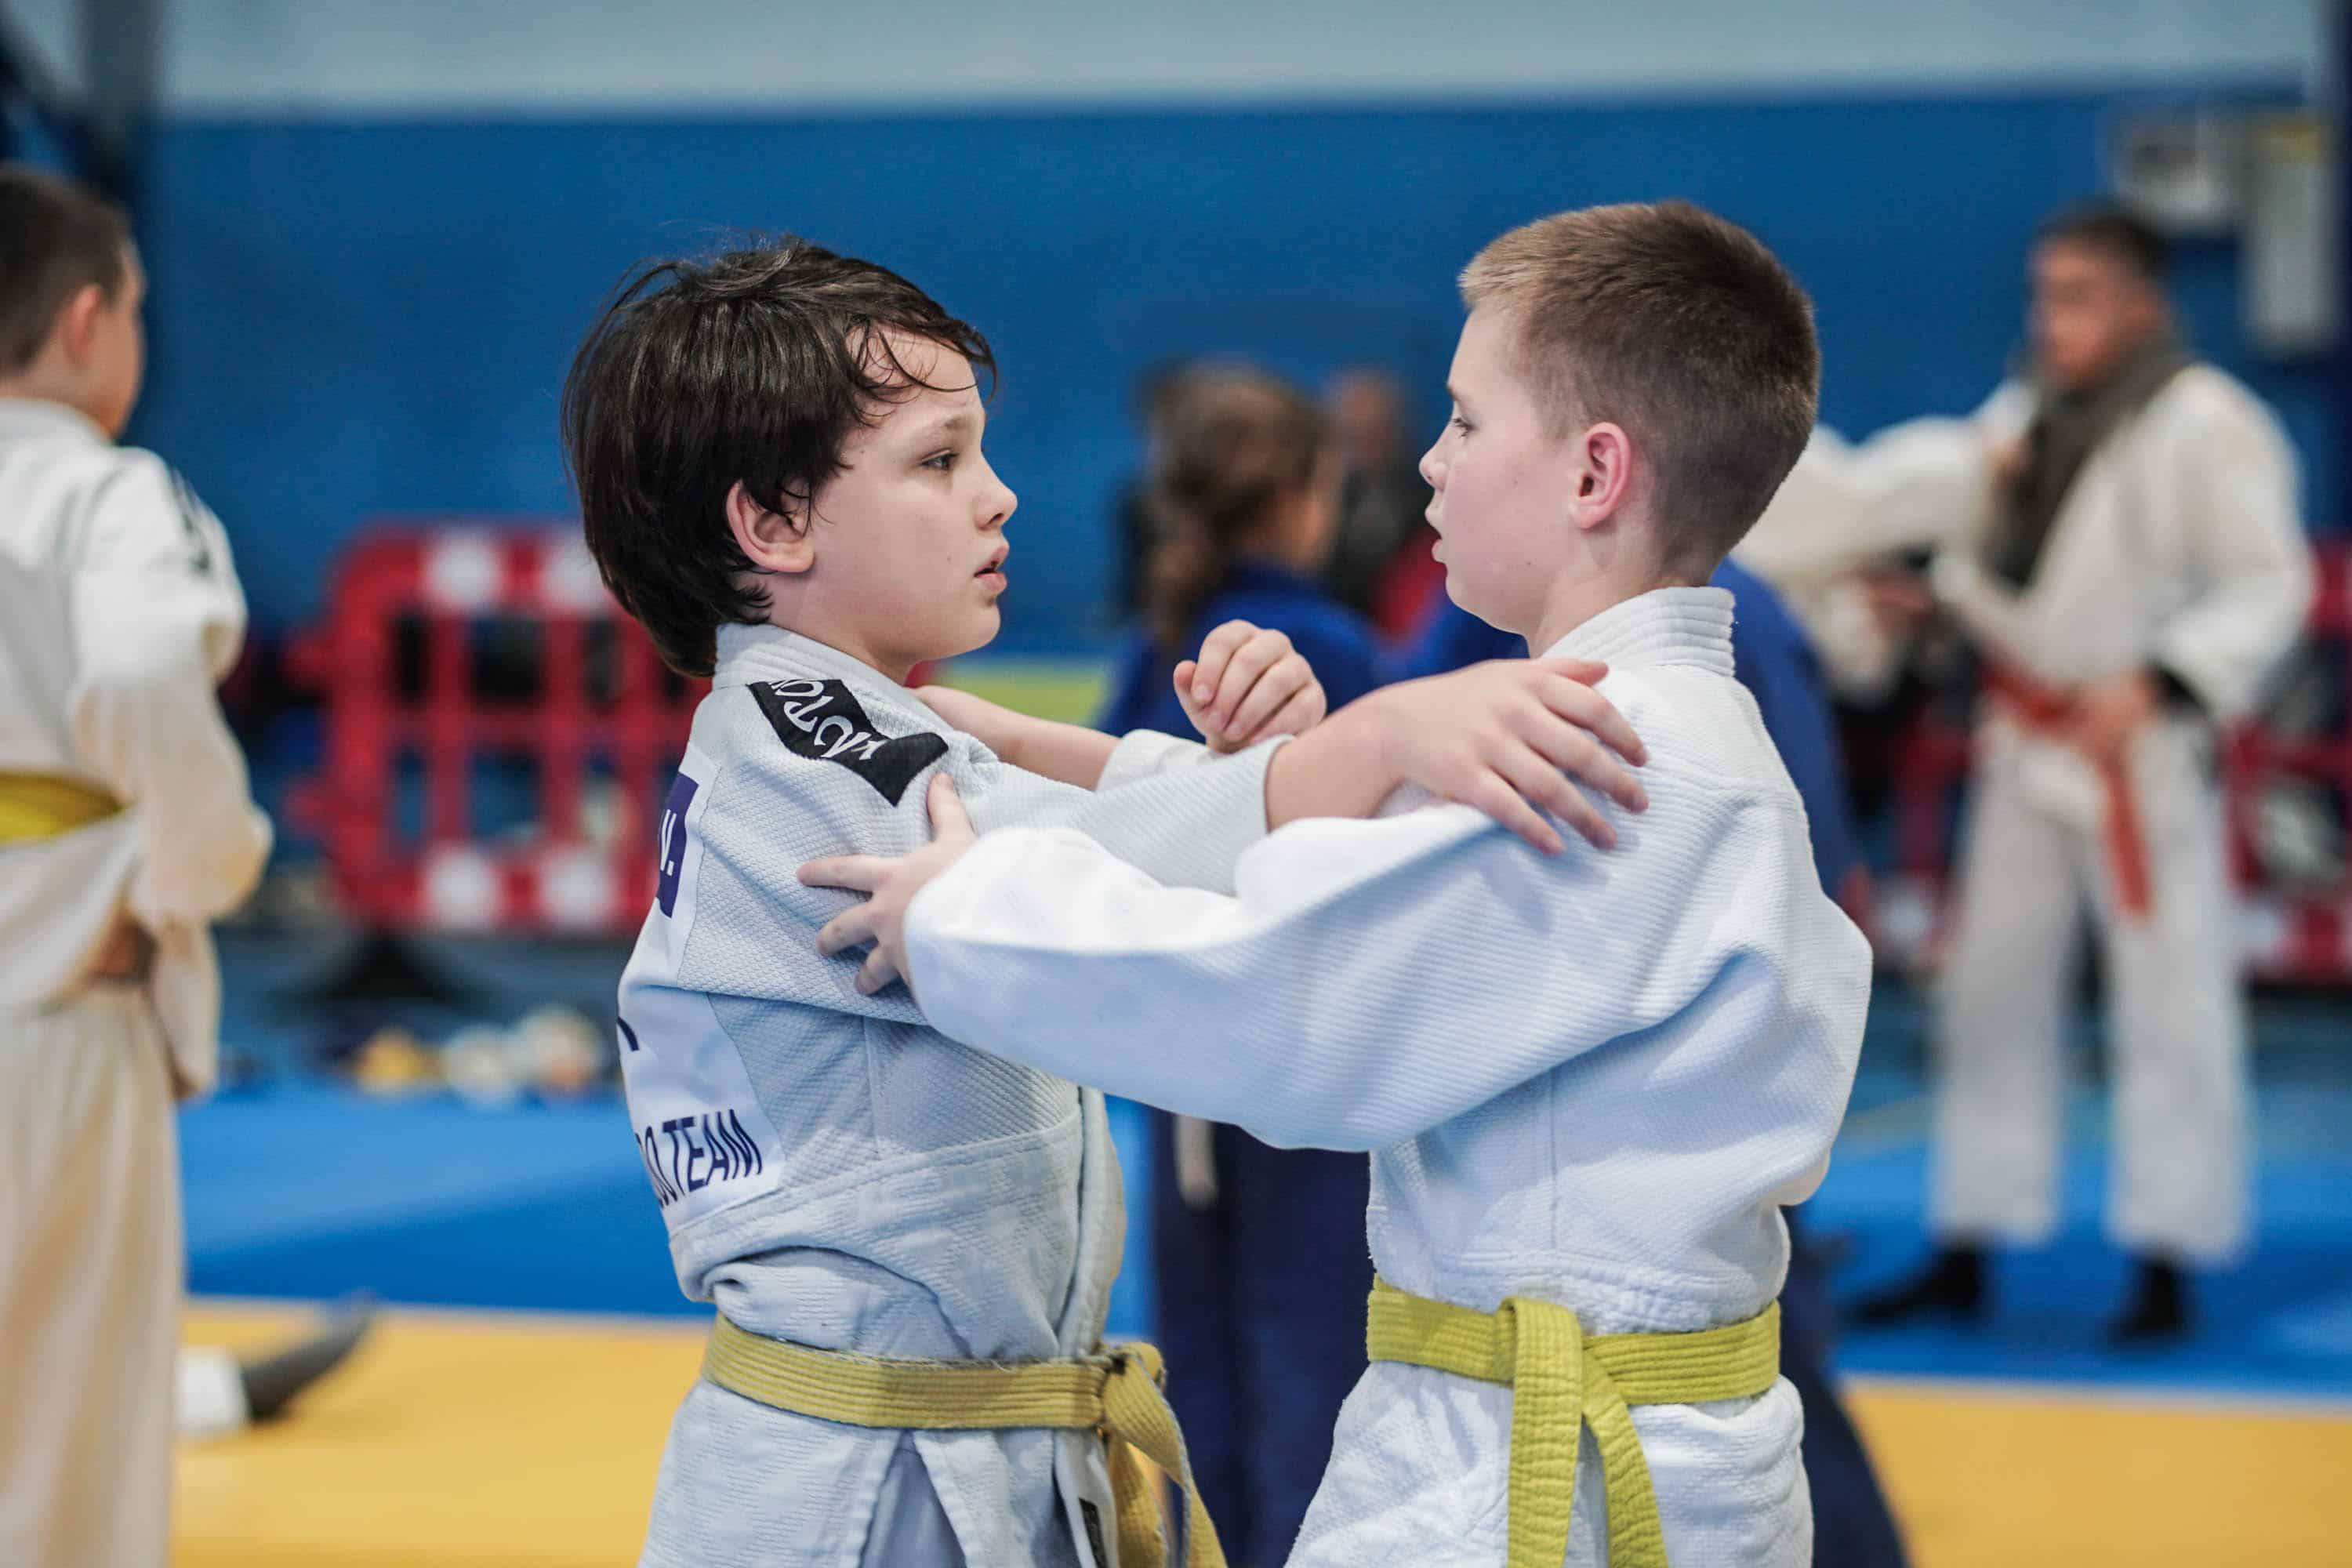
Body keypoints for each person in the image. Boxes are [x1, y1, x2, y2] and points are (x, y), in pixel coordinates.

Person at [806, 200, 1873, 1568]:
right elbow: (1360, 884)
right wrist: (1211, 768)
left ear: (1595, 474)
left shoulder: (1626, 765)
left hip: (1543, 1481)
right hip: (1543, 1437)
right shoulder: (1610, 727)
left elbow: (1282, 998)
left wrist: (960, 912)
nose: (1428, 463)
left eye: (1470, 423)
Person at [561, 238, 1653, 1568]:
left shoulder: (833, 729)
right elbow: (1089, 871)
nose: (998, 498)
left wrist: (1257, 768)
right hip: (863, 1494)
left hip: (953, 1445)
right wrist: (1370, 747)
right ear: (774, 523)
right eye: (937, 460)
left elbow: (1074, 816)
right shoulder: (811, 748)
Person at [1849, 203, 2314, 1342]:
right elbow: (1994, 571)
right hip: (2026, 741)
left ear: (2141, 301)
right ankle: (1970, 1243)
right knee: (1990, 998)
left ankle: (2168, 1262)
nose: (2051, 320)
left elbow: (2272, 586)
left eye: (2077, 297)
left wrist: (2161, 681)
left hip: (2139, 752)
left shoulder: (2212, 424)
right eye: (2042, 295)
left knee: (2171, 1006)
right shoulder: (2024, 415)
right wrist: (1937, 599)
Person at [0, 164, 272, 1567]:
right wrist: (189, 876)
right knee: (67, 1428)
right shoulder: (98, 493)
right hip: (52, 993)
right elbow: (145, 663)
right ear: (93, 320)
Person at [1098, 368, 1385, 1567]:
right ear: (1308, 501)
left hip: (1181, 1081)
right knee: (1312, 1368)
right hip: (1312, 1085)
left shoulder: (1151, 652)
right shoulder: (1346, 656)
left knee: (1198, 1367)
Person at [1319, 368, 1439, 637]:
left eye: (1372, 434)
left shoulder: (1427, 510)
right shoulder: (1320, 499)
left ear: (1395, 434)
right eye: (1350, 435)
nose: (1362, 449)